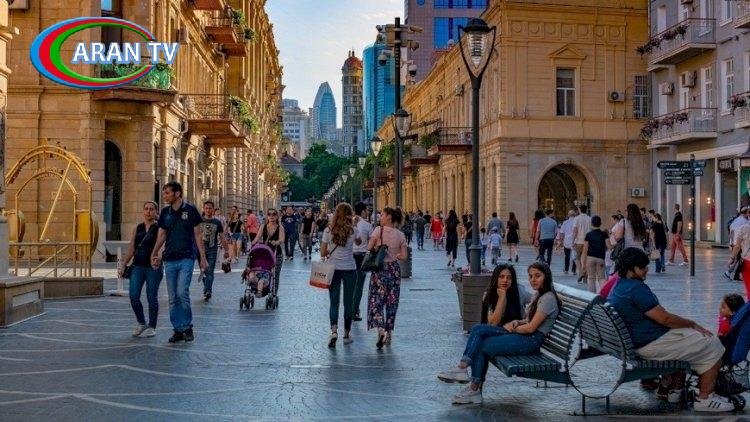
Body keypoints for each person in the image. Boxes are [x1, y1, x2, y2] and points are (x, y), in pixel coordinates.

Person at [607, 248, 733, 412]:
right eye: (643, 267)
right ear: (631, 269)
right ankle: (705, 398)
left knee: (694, 339)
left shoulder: (619, 285)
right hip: (648, 344)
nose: (647, 270)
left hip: (636, 341)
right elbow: (664, 318)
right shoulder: (635, 289)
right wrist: (691, 323)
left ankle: (674, 391)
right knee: (713, 343)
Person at [439, 261, 561, 405]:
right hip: (524, 336)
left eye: (537, 276)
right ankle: (467, 378)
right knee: (478, 330)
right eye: (530, 276)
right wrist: (518, 322)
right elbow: (527, 321)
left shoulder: (547, 298)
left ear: (546, 277)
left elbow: (531, 328)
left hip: (530, 340)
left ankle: (470, 381)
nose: (533, 279)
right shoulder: (539, 295)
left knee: (481, 343)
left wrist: (513, 327)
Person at [436, 264, 530, 384]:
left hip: (514, 334)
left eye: (509, 277)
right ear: (495, 278)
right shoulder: (489, 295)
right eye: (501, 277)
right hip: (499, 333)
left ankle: (465, 373)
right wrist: (502, 298)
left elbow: (537, 301)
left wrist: (524, 320)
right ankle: (471, 382)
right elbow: (493, 323)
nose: (505, 280)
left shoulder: (519, 291)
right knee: (479, 339)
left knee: (478, 333)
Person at [150, 182, 208, 343]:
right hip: (169, 259)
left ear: (177, 194)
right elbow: (162, 235)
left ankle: (187, 327)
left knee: (182, 292)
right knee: (172, 297)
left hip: (187, 257)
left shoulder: (190, 210)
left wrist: (202, 258)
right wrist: (154, 253)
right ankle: (178, 329)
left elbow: (198, 235)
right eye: (164, 193)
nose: (164, 196)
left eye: (167, 193)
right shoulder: (165, 212)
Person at [367, 207, 408, 349]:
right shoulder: (400, 235)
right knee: (392, 301)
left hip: (379, 269)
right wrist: (395, 255)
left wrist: (377, 246)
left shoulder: (378, 230)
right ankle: (389, 333)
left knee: (376, 300)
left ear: (389, 217)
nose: (380, 217)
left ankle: (380, 329)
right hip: (394, 270)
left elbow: (369, 247)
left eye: (382, 215)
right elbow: (404, 256)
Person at [120, 201, 162, 338]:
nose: (148, 211)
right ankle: (141, 323)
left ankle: (152, 326)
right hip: (137, 266)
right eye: (146, 209)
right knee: (133, 296)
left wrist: (159, 258)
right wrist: (124, 264)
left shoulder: (159, 228)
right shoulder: (138, 228)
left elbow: (163, 245)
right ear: (143, 211)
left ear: (156, 212)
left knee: (151, 297)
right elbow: (132, 247)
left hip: (153, 268)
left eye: (151, 209)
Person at [321, 203, 359, 347]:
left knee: (334, 302)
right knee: (348, 302)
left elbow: (323, 253)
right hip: (350, 269)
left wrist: (331, 251)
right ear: (350, 214)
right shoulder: (353, 230)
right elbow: (359, 242)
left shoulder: (328, 230)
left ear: (336, 214)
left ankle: (334, 331)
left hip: (333, 269)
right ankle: (347, 334)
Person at [199, 201, 228, 301]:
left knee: (210, 271)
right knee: (204, 271)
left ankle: (207, 291)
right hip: (200, 251)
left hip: (212, 249)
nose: (208, 210)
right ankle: (207, 288)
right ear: (203, 209)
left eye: (210, 208)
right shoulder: (199, 221)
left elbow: (222, 237)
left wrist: (226, 250)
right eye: (206, 208)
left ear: (213, 209)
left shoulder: (217, 222)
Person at [252, 208, 285, 286]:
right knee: (263, 271)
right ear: (267, 216)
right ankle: (263, 286)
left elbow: (282, 239)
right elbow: (257, 237)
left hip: (276, 253)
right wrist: (253, 244)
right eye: (269, 214)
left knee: (275, 275)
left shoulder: (280, 227)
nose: (271, 216)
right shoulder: (263, 226)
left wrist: (277, 242)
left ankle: (274, 291)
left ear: (277, 216)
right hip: (265, 253)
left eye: (274, 214)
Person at [352, 202, 373, 322]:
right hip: (362, 257)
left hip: (349, 257)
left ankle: (348, 309)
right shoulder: (367, 225)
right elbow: (372, 242)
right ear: (363, 211)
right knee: (359, 285)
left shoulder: (348, 223)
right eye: (367, 210)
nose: (368, 212)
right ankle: (355, 310)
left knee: (350, 284)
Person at [581, 215, 609, 293]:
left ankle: (592, 296)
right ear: (600, 223)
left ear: (591, 223)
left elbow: (585, 250)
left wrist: (583, 263)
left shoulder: (588, 235)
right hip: (601, 259)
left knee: (591, 278)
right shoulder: (604, 234)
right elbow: (609, 246)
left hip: (590, 258)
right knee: (601, 278)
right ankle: (604, 295)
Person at [572, 205, 591, 283]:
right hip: (588, 241)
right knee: (586, 259)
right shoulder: (590, 218)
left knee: (576, 258)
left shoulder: (576, 218)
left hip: (579, 241)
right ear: (586, 210)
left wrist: (573, 241)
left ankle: (581, 272)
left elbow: (575, 230)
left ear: (579, 210)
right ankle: (585, 277)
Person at [559, 210, 577, 275]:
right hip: (575, 241)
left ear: (568, 215)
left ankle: (566, 269)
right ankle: (574, 270)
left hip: (567, 241)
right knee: (574, 256)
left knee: (567, 256)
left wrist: (561, 241)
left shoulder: (565, 222)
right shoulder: (576, 222)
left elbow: (562, 232)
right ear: (575, 215)